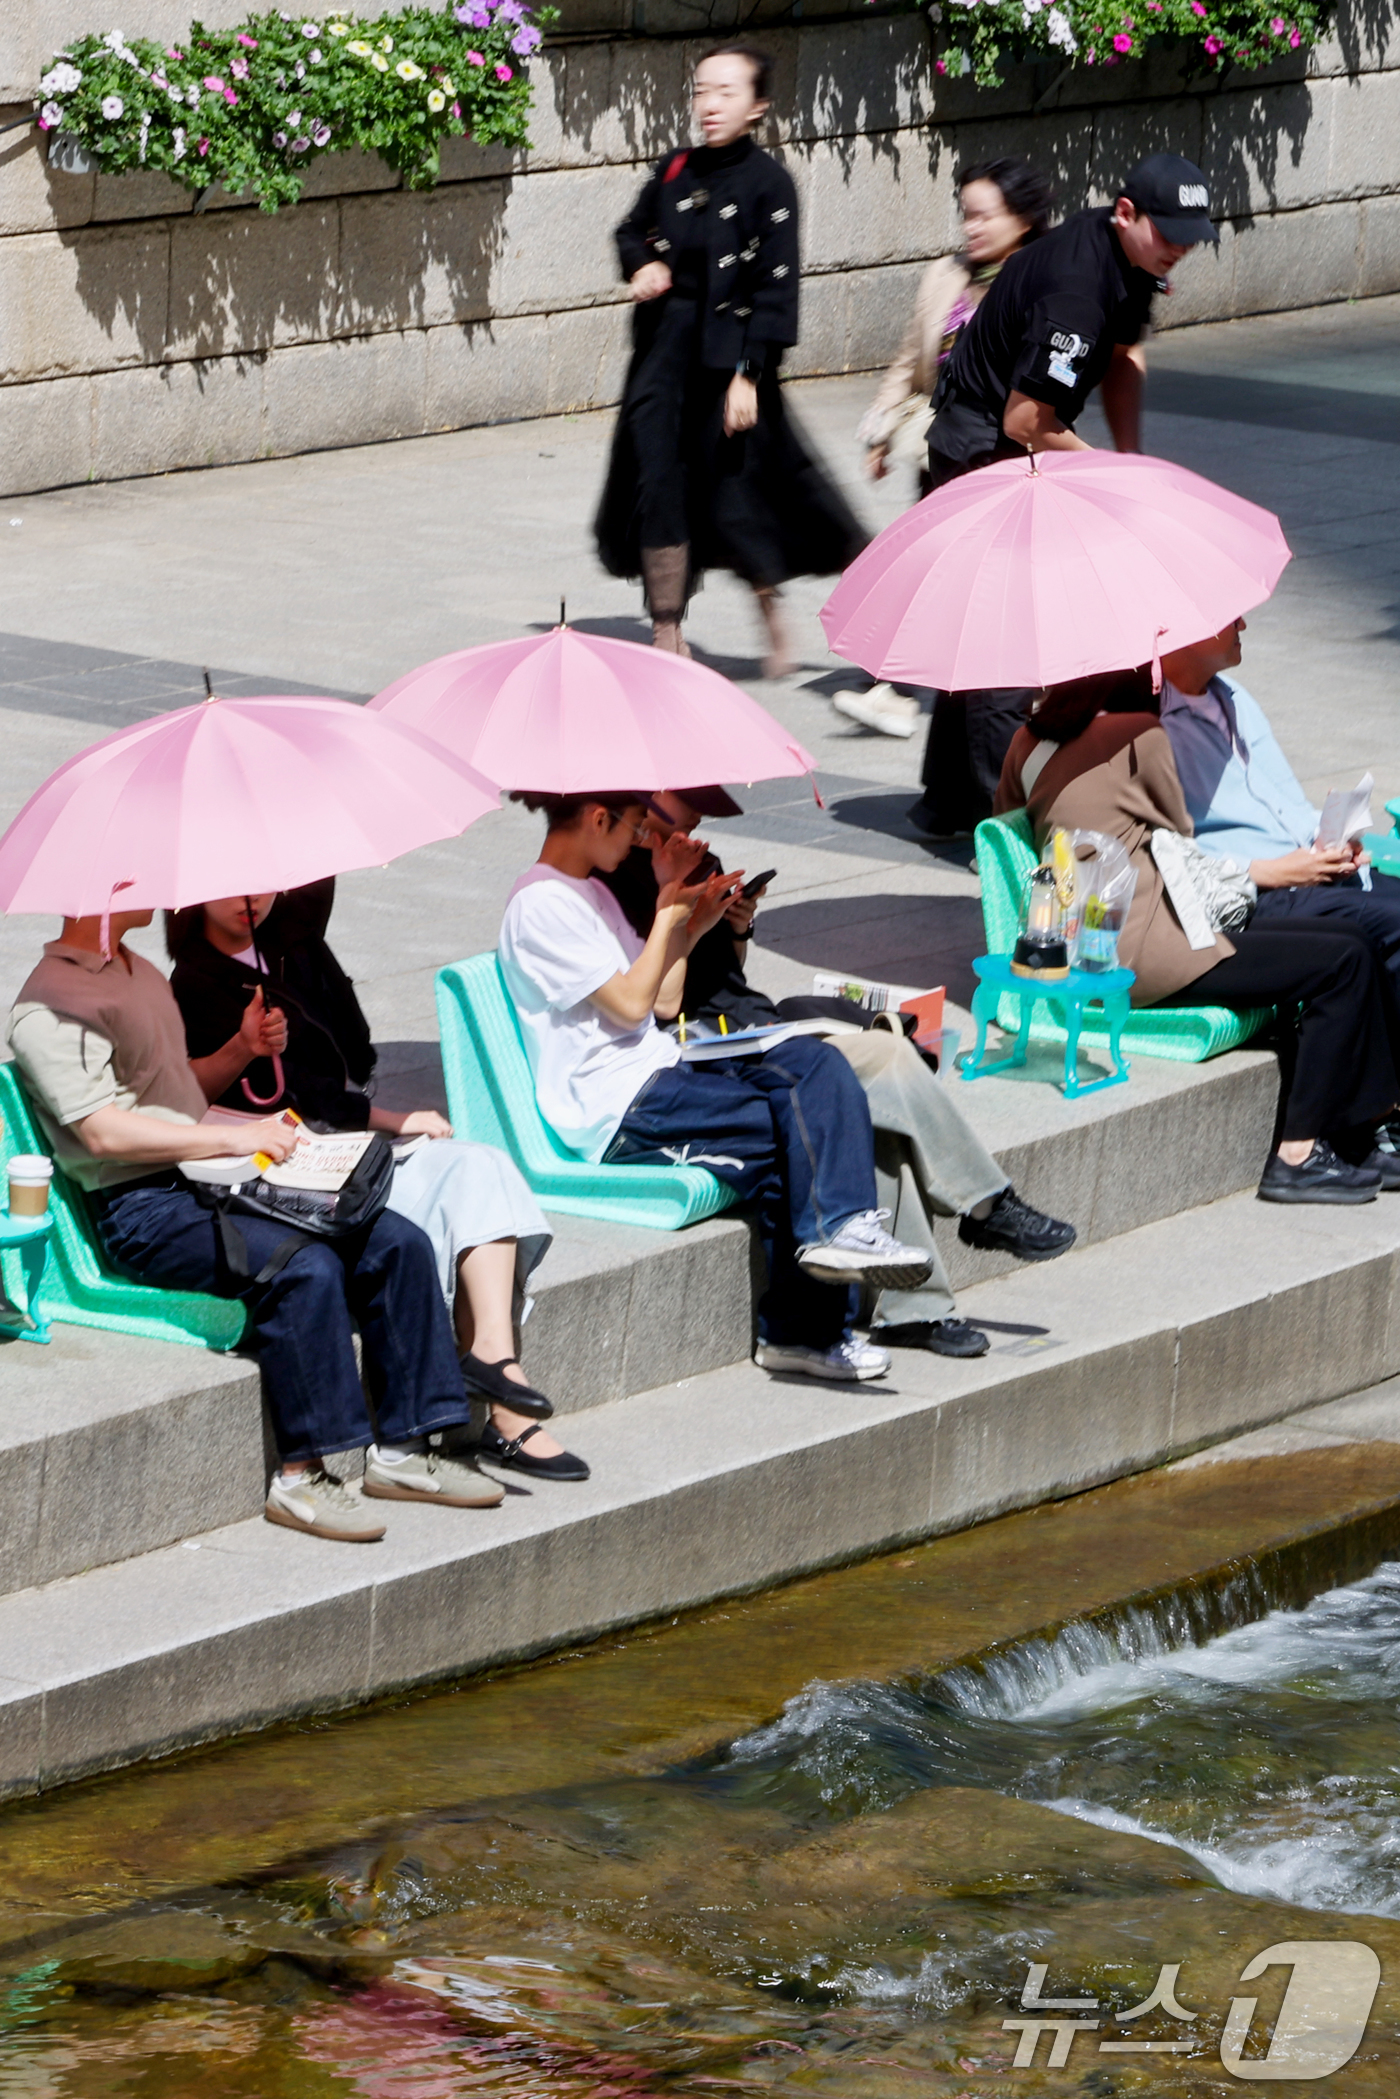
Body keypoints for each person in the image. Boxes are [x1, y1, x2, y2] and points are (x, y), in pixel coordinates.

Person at [6, 908, 501, 1542]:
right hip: (141, 1208)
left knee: (395, 1239)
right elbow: (101, 1133)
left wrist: (243, 1048)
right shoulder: (47, 1007)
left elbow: (178, 1092)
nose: (160, 890)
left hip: (205, 1174)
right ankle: (299, 1479)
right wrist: (229, 1139)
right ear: (103, 890)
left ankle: (404, 1452)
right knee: (303, 1267)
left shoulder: (140, 973)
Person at [601, 786, 1078, 1357]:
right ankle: (985, 1208)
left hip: (758, 1025)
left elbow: (725, 976)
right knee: (884, 1063)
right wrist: (674, 910)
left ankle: (919, 1303)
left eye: (700, 819)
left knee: (880, 1081)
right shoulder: (618, 881)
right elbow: (662, 1004)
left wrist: (735, 928)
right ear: (642, 812)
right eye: (679, 819)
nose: (695, 834)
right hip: (712, 1049)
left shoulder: (696, 863)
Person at [498, 789, 940, 1384]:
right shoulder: (540, 905)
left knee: (817, 1064)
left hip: (661, 1072)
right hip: (620, 1109)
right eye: (633, 825)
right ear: (597, 818)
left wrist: (692, 920)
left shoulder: (591, 892)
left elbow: (664, 1000)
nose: (637, 839)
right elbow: (632, 1007)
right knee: (798, 1130)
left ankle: (837, 1243)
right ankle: (804, 1322)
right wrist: (666, 911)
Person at [164, 882, 588, 1483]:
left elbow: (327, 1089)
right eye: (227, 887)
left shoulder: (293, 956)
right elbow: (187, 1104)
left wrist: (394, 1121)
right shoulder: (189, 986)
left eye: (261, 884)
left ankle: (498, 1367)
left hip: (339, 1150)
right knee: (455, 1194)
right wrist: (243, 1046)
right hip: (282, 1176)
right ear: (189, 898)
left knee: (482, 1165)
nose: (248, 899)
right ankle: (505, 1411)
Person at [995, 668, 1400, 1204]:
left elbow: (1007, 818)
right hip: (1153, 947)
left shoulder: (1026, 743)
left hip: (1092, 940)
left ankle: (1360, 1123)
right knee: (1344, 959)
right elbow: (1180, 828)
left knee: (1348, 946)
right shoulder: (1139, 734)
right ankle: (1299, 1155)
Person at [908, 152, 1219, 840]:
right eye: (1169, 233)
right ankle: (1008, 823)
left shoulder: (1129, 257)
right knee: (1008, 638)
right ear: (1126, 211)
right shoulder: (1077, 288)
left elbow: (1119, 357)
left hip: (1010, 433)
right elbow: (1028, 421)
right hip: (983, 446)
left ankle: (946, 800)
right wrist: (1106, 474)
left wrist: (1130, 457)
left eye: (1192, 236)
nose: (1181, 249)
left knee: (984, 618)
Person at [594, 40, 868, 677]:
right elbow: (630, 231)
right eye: (700, 91)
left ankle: (768, 601)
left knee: (737, 493)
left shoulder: (770, 184)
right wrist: (645, 263)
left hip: (731, 360)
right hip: (662, 358)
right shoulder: (673, 168)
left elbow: (776, 289)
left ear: (757, 106)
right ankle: (667, 628)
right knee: (657, 482)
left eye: (726, 92)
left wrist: (750, 376)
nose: (709, 105)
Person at [833, 157, 1054, 743]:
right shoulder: (945, 275)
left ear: (1025, 218)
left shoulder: (1039, 281)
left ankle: (921, 689)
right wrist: (880, 433)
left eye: (987, 216)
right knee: (933, 568)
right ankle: (903, 688)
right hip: (941, 446)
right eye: (966, 216)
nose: (972, 229)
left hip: (1000, 453)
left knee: (974, 578)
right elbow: (910, 359)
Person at [1159, 616, 1400, 1070]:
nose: (1244, 623)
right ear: (1180, 629)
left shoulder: (1234, 698)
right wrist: (1271, 871)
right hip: (1257, 896)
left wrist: (1332, 837)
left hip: (1309, 875)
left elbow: (1287, 804)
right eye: (1229, 616)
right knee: (1392, 923)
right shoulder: (1149, 731)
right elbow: (1165, 856)